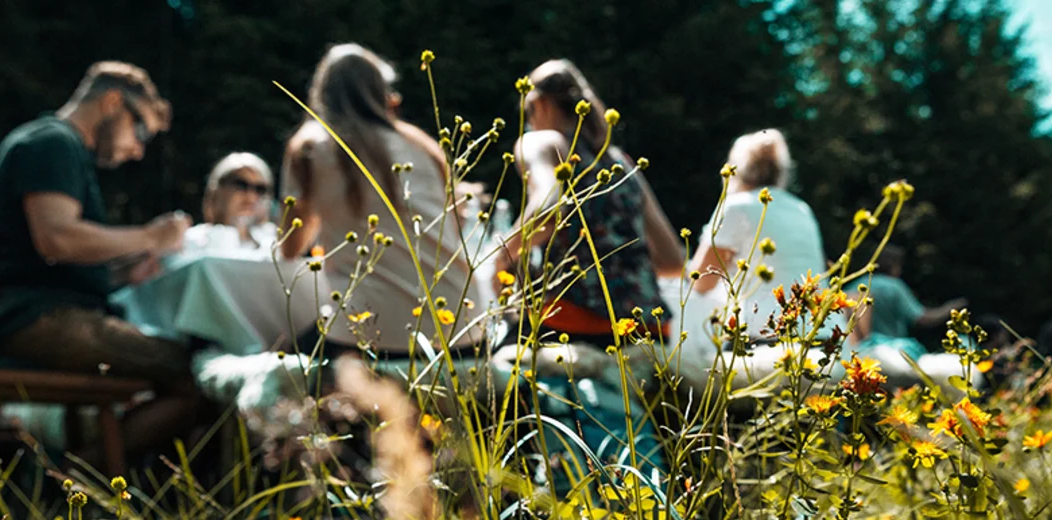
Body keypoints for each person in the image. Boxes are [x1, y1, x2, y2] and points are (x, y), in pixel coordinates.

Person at [0, 60, 198, 467]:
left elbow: (43, 258)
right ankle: (65, 481)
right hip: (30, 319)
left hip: (35, 310)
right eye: (139, 131)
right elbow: (58, 238)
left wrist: (122, 271)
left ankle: (59, 478)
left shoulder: (58, 147)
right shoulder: (51, 143)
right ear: (112, 102)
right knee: (192, 373)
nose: (137, 150)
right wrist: (152, 236)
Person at [282, 44, 483, 359]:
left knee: (282, 355)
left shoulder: (311, 147)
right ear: (383, 92)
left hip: (369, 335)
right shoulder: (422, 145)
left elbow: (290, 248)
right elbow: (454, 226)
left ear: (321, 93)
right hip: (465, 330)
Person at [494, 59, 684, 346]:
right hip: (650, 333)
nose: (530, 121)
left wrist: (500, 259)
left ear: (541, 103)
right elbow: (674, 261)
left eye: (528, 111)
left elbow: (549, 209)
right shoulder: (620, 162)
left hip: (575, 328)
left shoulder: (541, 141)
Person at [686, 129, 827, 338]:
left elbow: (702, 282)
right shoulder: (802, 209)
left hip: (763, 336)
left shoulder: (735, 207)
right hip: (821, 333)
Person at [852, 244, 967, 360]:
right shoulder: (893, 286)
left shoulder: (854, 285)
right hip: (892, 354)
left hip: (859, 353)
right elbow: (922, 318)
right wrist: (950, 309)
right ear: (893, 265)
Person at [186, 152, 277, 253]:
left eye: (260, 189)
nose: (251, 196)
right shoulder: (189, 241)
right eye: (241, 184)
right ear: (216, 190)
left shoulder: (273, 246)